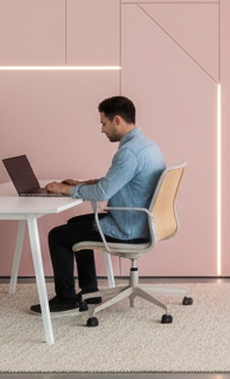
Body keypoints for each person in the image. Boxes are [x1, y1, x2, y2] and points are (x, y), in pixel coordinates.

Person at [31, 96, 166, 314]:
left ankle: (66, 299)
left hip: (129, 227)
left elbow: (104, 192)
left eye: (103, 123)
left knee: (58, 235)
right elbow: (118, 181)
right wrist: (83, 183)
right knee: (74, 224)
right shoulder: (147, 145)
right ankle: (89, 290)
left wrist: (64, 189)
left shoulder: (129, 152)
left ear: (118, 121)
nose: (102, 130)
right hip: (142, 221)